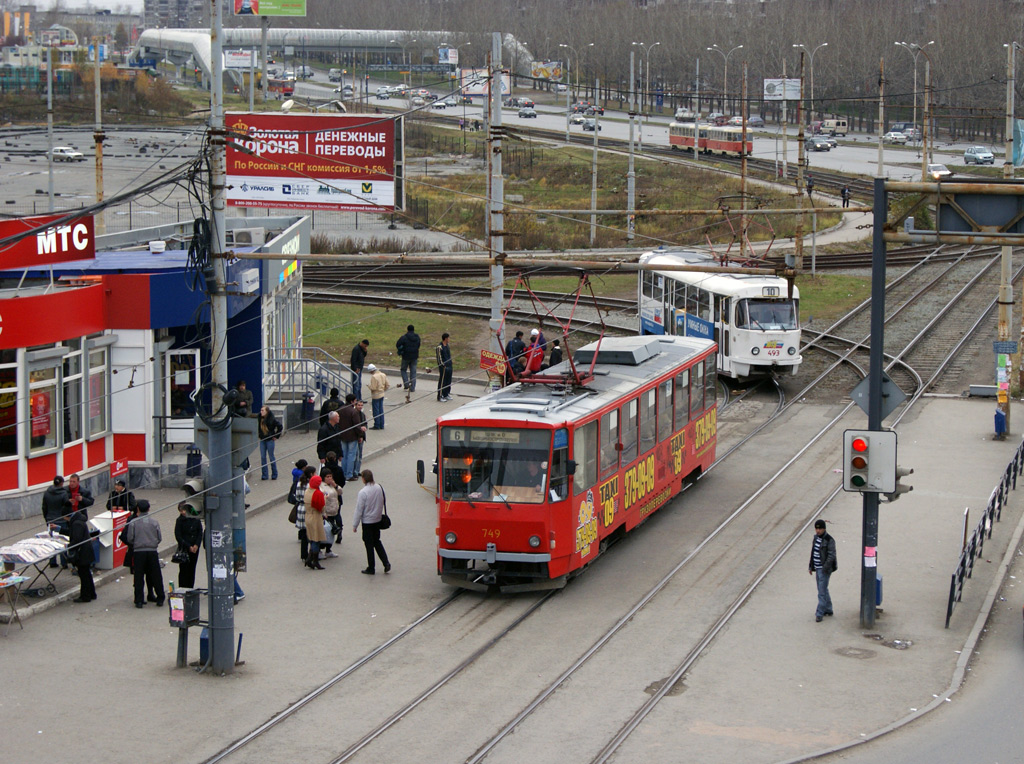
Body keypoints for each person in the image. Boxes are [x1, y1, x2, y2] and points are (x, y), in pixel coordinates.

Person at [125, 499, 164, 608]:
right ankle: (160, 597)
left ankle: (139, 600)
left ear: (138, 509)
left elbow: (130, 538)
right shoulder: (154, 522)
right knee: (156, 575)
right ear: (148, 509)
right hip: (152, 551)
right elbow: (159, 537)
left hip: (138, 552)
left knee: (138, 576)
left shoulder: (133, 523)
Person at [352, 469, 390, 575]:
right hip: (377, 519)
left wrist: (355, 524)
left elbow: (359, 509)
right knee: (377, 541)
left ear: (363, 478)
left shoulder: (363, 492)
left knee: (369, 544)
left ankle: (371, 567)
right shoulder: (379, 487)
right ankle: (386, 562)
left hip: (367, 521)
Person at [808, 519, 837, 622]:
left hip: (824, 569)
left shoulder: (829, 540)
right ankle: (828, 609)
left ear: (824, 528)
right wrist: (811, 566)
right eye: (816, 528)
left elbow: (831, 555)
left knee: (821, 591)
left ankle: (819, 613)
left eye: (820, 528)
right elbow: (813, 552)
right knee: (823, 589)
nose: (818, 530)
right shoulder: (815, 539)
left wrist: (824, 568)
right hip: (817, 568)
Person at [62, 474, 94, 568]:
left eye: (73, 482)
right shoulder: (65, 491)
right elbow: (61, 503)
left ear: (78, 482)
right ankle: (65, 562)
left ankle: (76, 559)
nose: (71, 483)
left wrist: (82, 499)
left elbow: (91, 502)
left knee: (77, 539)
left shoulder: (84, 491)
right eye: (70, 481)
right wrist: (68, 502)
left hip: (80, 518)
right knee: (65, 538)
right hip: (68, 518)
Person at [68, 503, 96, 602]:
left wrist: (68, 546)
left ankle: (85, 596)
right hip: (86, 552)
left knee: (84, 575)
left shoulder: (76, 523)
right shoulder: (79, 521)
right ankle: (92, 593)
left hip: (83, 554)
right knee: (87, 574)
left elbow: (77, 539)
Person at [41, 475, 68, 568]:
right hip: (61, 520)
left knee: (52, 541)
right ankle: (64, 563)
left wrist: (47, 519)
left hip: (50, 519)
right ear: (61, 483)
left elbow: (44, 507)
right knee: (62, 541)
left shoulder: (47, 493)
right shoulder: (64, 493)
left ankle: (52, 562)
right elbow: (66, 507)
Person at [174, 501, 203, 589]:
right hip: (184, 548)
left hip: (194, 548)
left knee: (192, 568)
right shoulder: (179, 521)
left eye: (184, 510)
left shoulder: (195, 519)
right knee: (183, 569)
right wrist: (188, 546)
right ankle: (183, 587)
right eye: (181, 510)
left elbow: (200, 532)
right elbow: (178, 536)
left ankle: (190, 587)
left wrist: (196, 545)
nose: (183, 512)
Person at [338, 397, 365, 480]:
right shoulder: (353, 412)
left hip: (342, 436)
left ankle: (343, 473)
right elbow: (357, 426)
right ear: (352, 401)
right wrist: (360, 435)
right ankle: (349, 475)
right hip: (352, 437)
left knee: (344, 455)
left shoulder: (340, 409)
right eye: (355, 401)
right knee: (351, 456)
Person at [293, 465, 316, 562]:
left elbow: (296, 496)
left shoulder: (299, 483)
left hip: (300, 508)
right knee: (310, 533)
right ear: (311, 474)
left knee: (303, 534)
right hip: (308, 508)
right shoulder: (310, 485)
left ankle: (303, 554)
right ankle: (311, 554)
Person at [304, 475, 327, 570]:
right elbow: (321, 507)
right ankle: (314, 560)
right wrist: (325, 498)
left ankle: (310, 559)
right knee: (316, 539)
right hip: (315, 517)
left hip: (308, 515)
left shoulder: (307, 491)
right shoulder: (317, 493)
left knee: (311, 537)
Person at [396, 324, 421, 402]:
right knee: (413, 372)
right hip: (414, 357)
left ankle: (406, 384)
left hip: (406, 356)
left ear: (407, 329)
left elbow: (398, 344)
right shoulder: (417, 337)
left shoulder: (404, 337)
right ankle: (412, 387)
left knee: (403, 369)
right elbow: (418, 345)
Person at [320, 471, 342, 557]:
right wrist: (323, 512)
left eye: (330, 476)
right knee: (325, 532)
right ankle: (320, 550)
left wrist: (335, 485)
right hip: (327, 512)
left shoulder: (332, 485)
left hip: (334, 511)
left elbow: (340, 492)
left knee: (332, 532)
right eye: (327, 477)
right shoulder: (322, 487)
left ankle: (328, 550)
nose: (329, 478)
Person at [258, 405, 282, 480]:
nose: (261, 412)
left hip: (270, 439)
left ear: (267, 412)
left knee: (271, 457)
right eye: (261, 410)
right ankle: (264, 475)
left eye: (263, 410)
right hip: (262, 439)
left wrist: (276, 436)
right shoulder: (259, 418)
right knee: (263, 457)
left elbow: (280, 426)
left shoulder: (272, 419)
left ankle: (274, 474)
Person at [367, 364, 390, 429]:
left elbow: (373, 388)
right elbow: (387, 385)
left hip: (375, 395)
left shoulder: (374, 377)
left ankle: (377, 425)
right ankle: (381, 425)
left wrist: (368, 386)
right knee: (381, 410)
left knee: (376, 410)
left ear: (371, 371)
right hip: (382, 394)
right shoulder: (383, 374)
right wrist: (383, 390)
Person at [435, 333, 453, 402]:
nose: (449, 339)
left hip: (449, 366)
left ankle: (446, 394)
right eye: (448, 338)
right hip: (444, 367)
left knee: (448, 381)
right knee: (442, 381)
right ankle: (440, 396)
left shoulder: (447, 346)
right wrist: (443, 366)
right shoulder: (439, 347)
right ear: (445, 338)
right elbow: (439, 359)